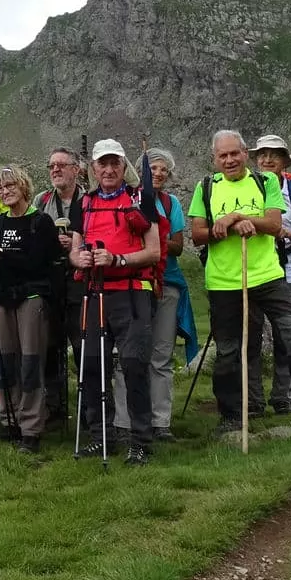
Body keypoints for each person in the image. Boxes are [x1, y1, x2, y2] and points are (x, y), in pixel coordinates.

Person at [188, 130, 291, 436]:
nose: (229, 160)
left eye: (234, 153)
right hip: (223, 281)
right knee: (228, 350)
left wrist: (234, 217)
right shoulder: (205, 187)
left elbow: (275, 224)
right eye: (222, 155)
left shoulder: (266, 182)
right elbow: (197, 234)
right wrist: (227, 227)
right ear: (215, 159)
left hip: (267, 275)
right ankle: (231, 416)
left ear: (244, 154)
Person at [68, 139, 161, 465]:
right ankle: (101, 436)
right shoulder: (83, 203)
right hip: (95, 293)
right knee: (93, 364)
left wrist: (117, 259)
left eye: (114, 163)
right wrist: (79, 259)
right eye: (102, 164)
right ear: (94, 169)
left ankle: (140, 441)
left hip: (132, 292)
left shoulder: (141, 199)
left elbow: (154, 251)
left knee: (134, 365)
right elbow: (75, 249)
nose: (108, 170)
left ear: (124, 166)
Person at [0, 165, 61, 452]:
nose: (5, 191)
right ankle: (10, 421)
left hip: (32, 298)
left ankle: (31, 429)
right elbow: (1, 264)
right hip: (3, 299)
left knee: (30, 362)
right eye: (0, 188)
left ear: (23, 187)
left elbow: (36, 262)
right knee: (6, 361)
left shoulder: (41, 222)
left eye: (10, 185)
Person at [111, 148, 195, 445]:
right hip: (133, 284)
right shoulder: (126, 199)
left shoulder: (171, 203)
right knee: (127, 354)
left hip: (166, 283)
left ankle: (160, 422)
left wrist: (152, 237)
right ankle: (124, 422)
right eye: (152, 169)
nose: (157, 174)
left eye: (163, 170)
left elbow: (178, 246)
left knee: (161, 354)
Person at [248, 133, 291, 416]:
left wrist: (288, 234)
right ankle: (252, 401)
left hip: (286, 270)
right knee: (249, 335)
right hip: (252, 271)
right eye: (262, 154)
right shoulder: (245, 187)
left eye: (274, 155)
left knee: (287, 333)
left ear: (285, 161)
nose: (267, 159)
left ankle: (282, 396)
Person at [36, 146, 85, 426]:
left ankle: (88, 411)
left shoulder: (89, 200)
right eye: (51, 166)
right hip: (50, 281)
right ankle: (53, 407)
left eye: (61, 165)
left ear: (76, 170)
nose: (55, 170)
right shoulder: (41, 200)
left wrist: (76, 243)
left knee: (81, 344)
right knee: (50, 345)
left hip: (79, 281)